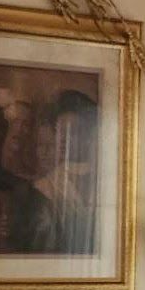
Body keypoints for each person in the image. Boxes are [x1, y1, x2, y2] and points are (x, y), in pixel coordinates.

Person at [38, 87, 100, 255]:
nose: (63, 139)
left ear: (88, 137)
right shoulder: (44, 186)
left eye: (72, 132)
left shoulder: (104, 181)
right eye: (60, 131)